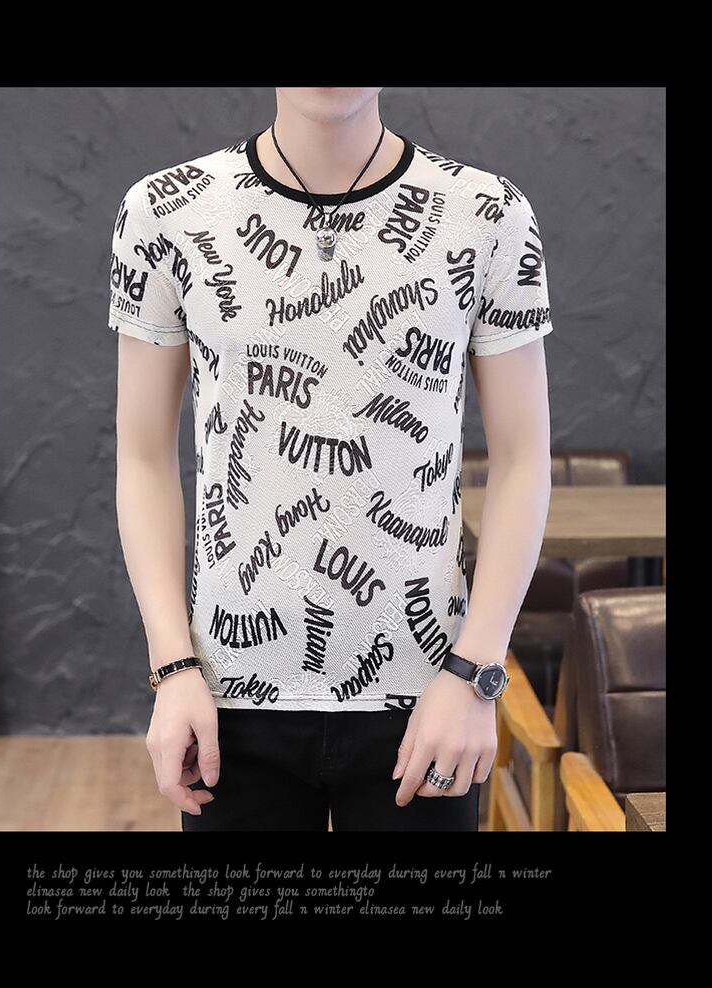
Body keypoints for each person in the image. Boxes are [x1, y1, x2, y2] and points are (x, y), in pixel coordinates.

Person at [107, 87, 555, 831]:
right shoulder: (167, 212)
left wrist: (475, 674)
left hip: (429, 696)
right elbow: (143, 456)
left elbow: (524, 459)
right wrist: (172, 668)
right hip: (227, 698)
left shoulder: (488, 214)